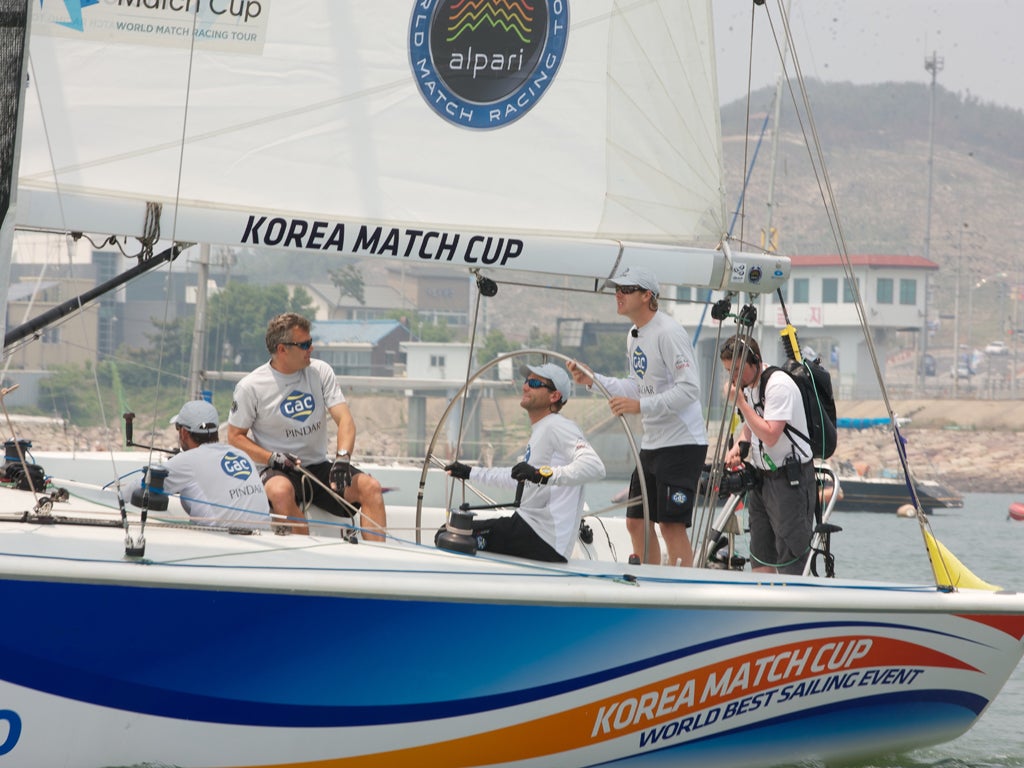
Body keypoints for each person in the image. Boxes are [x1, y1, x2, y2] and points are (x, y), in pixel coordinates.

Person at [566, 266, 708, 566]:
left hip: (682, 444)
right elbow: (636, 385)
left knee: (671, 526)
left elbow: (690, 389)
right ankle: (650, 583)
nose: (618, 294)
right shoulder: (634, 335)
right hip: (653, 443)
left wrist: (641, 407)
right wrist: (593, 379)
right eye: (616, 288)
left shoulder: (669, 332)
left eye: (626, 289)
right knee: (636, 522)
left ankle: (678, 594)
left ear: (647, 295)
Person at [227, 313, 387, 540]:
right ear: (282, 349)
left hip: (319, 467)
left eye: (311, 342)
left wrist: (342, 458)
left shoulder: (320, 372)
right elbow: (234, 437)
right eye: (304, 345)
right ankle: (306, 562)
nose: (311, 349)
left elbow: (345, 420)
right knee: (281, 492)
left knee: (371, 487)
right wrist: (272, 457)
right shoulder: (250, 387)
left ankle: (378, 567)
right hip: (277, 468)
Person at [443, 363, 605, 562]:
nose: (525, 386)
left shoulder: (557, 425)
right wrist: (469, 472)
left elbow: (594, 467)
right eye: (527, 381)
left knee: (451, 534)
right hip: (528, 529)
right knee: (453, 530)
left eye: (535, 383)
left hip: (542, 536)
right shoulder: (543, 429)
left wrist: (540, 475)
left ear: (554, 396)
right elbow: (519, 478)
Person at [719, 334, 815, 575]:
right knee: (760, 557)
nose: (734, 377)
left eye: (739, 369)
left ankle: (793, 604)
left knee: (789, 559)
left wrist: (740, 403)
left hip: (789, 480)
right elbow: (752, 423)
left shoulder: (777, 385)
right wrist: (740, 446)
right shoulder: (749, 386)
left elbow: (771, 433)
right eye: (729, 371)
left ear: (756, 362)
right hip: (762, 479)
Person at [127, 399, 269, 529]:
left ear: (183, 432)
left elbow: (139, 486)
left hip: (223, 540)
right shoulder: (240, 454)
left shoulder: (188, 460)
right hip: (264, 536)